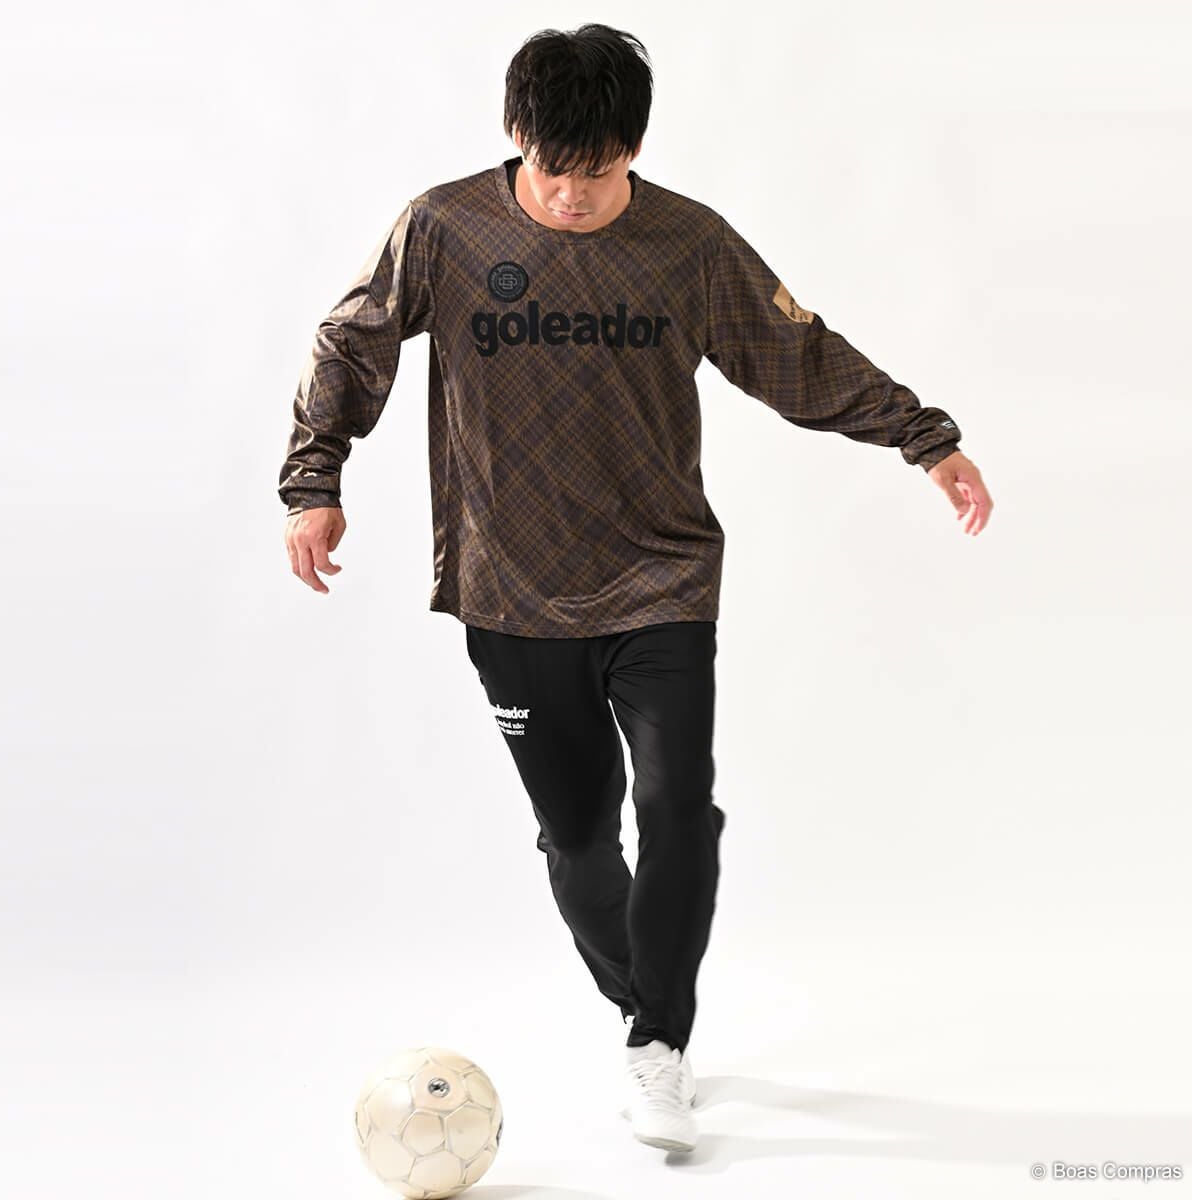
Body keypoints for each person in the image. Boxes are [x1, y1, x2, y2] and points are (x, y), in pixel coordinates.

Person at [278, 22, 993, 1154]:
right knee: (578, 843)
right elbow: (351, 344)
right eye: (552, 169)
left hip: (661, 574)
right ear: (516, 135)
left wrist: (924, 438)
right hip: (511, 585)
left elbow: (799, 356)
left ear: (635, 150)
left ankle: (659, 1041)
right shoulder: (445, 227)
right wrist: (314, 481)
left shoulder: (687, 244)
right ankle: (643, 1004)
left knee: (675, 810)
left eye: (598, 171)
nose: (571, 195)